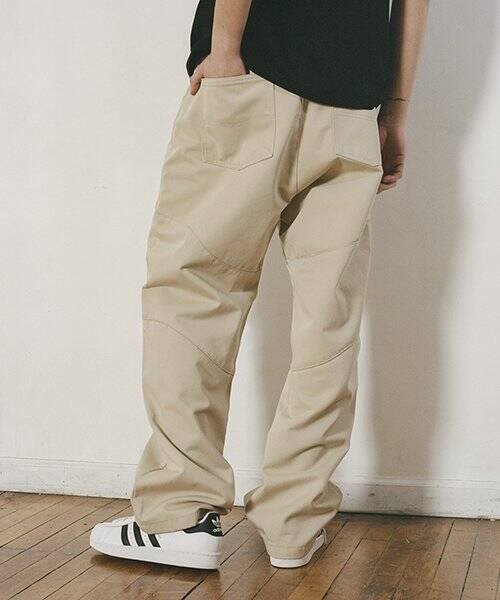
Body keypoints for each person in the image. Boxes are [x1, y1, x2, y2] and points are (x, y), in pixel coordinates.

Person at [90, 0, 430, 570]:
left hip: (254, 70)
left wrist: (225, 46)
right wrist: (395, 109)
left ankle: (179, 514)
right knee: (329, 324)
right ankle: (295, 523)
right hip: (353, 106)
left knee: (195, 292)